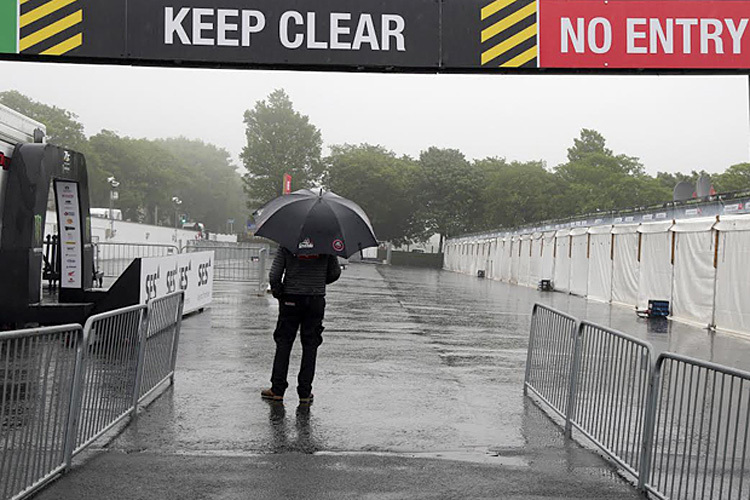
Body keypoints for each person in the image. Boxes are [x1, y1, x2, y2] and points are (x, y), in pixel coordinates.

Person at [261, 246, 341, 403]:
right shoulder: (325, 243)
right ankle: (304, 392)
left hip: (291, 298)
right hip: (315, 299)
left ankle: (277, 390)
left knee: (284, 343)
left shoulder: (288, 242)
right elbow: (335, 273)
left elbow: (274, 274)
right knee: (310, 345)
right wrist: (318, 280)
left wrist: (279, 292)